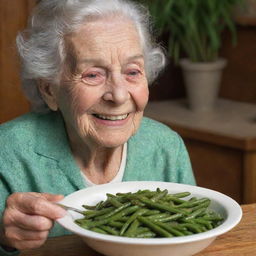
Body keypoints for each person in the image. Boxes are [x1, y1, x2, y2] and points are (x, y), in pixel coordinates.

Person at [0, 0, 196, 254]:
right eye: (93, 74)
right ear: (49, 89)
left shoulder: (167, 148)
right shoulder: (7, 153)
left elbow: (191, 235)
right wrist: (2, 238)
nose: (118, 95)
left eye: (132, 72)